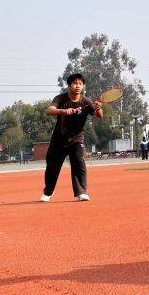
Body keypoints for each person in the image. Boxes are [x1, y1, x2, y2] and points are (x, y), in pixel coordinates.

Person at [40, 73, 103, 202]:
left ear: (83, 86)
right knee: (52, 166)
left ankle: (81, 192)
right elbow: (49, 110)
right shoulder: (61, 99)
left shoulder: (86, 102)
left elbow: (99, 115)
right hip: (59, 139)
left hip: (76, 139)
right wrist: (63, 111)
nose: (77, 86)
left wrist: (98, 109)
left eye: (80, 84)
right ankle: (48, 192)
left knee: (78, 162)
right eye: (75, 83)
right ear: (69, 85)